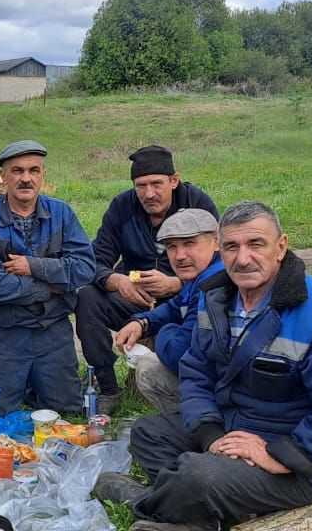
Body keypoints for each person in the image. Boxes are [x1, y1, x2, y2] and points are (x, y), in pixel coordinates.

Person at [92, 201, 312, 531]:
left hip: (304, 463)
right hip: (232, 427)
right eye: (232, 246)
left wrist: (280, 454)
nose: (243, 259)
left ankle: (145, 501)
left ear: (281, 246)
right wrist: (212, 436)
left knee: (198, 474)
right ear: (220, 248)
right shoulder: (215, 298)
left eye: (256, 244)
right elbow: (196, 372)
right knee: (149, 433)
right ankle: (203, 517)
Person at [75, 145, 218, 414]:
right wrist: (117, 282)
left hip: (183, 297)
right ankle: (107, 388)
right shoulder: (122, 206)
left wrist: (177, 283)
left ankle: (191, 388)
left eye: (157, 184)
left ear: (174, 180)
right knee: (87, 297)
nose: (149, 194)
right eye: (141, 186)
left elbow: (218, 263)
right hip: (134, 297)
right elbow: (93, 261)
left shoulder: (198, 204)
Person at [0, 140, 96, 415]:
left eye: (34, 170)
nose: (26, 178)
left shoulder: (61, 213)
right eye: (17, 170)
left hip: (53, 329)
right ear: (3, 177)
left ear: (43, 175)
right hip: (4, 331)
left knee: (67, 411)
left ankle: (30, 383)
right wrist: (54, 286)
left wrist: (33, 266)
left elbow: (84, 268)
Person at [113, 208, 224, 414]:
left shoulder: (213, 286)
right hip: (217, 376)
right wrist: (142, 322)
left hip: (224, 387)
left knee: (149, 368)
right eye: (172, 247)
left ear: (216, 241)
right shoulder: (203, 274)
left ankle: (200, 427)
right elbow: (174, 307)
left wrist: (166, 331)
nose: (180, 256)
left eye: (189, 243)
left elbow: (178, 354)